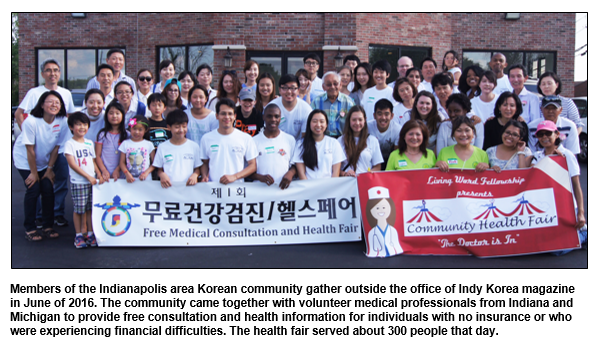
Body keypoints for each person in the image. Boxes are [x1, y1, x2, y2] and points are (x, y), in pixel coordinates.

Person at [13, 91, 69, 241]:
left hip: (44, 160)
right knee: (34, 188)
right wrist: (33, 173)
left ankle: (47, 226)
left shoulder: (62, 121)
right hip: (25, 160)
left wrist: (49, 169)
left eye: (57, 102)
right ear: (42, 104)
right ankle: (30, 228)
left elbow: (57, 147)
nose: (54, 105)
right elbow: (29, 150)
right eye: (50, 102)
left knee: (48, 189)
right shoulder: (31, 121)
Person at [528, 120, 586, 237]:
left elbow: (576, 185)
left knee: (560, 248)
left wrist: (580, 212)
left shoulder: (567, 155)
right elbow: (532, 177)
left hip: (566, 206)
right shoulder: (537, 156)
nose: (544, 137)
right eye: (540, 134)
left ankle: (584, 234)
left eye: (548, 133)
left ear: (557, 134)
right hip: (546, 207)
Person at [63, 112, 103, 248]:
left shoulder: (89, 143)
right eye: (78, 124)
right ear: (71, 127)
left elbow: (93, 161)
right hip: (79, 182)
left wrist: (98, 174)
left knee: (90, 209)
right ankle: (79, 235)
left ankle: (90, 233)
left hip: (92, 182)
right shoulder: (69, 144)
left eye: (85, 124)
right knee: (79, 210)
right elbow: (72, 164)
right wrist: (88, 177)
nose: (82, 127)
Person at [199, 98, 258, 184]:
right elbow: (205, 163)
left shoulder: (246, 138)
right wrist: (204, 176)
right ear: (217, 116)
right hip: (213, 190)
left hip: (237, 190)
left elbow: (253, 165)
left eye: (230, 114)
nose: (227, 117)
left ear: (235, 116)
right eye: (223, 113)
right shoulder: (206, 138)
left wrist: (235, 177)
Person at [143, 110, 202, 187]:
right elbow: (159, 169)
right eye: (177, 127)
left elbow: (198, 168)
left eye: (184, 126)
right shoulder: (162, 147)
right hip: (169, 190)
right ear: (169, 127)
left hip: (189, 189)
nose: (181, 130)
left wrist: (195, 175)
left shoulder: (194, 146)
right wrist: (162, 175)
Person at [15, 58, 76, 129]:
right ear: (42, 74)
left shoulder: (66, 93)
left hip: (59, 135)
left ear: (59, 73)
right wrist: (26, 132)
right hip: (38, 134)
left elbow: (71, 114)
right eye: (48, 70)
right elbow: (18, 113)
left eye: (55, 70)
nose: (52, 74)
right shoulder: (34, 92)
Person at [251, 103, 296, 189]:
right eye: (269, 116)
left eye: (276, 116)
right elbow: (248, 170)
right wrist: (260, 177)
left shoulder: (290, 139)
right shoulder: (253, 141)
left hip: (284, 190)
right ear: (263, 117)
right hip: (259, 191)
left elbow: (295, 164)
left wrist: (290, 173)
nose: (273, 119)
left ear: (280, 118)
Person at [293, 109, 346, 180]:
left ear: (326, 124)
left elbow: (335, 173)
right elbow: (301, 174)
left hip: (329, 188)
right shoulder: (300, 144)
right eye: (315, 121)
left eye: (322, 121)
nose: (318, 125)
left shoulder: (334, 143)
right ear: (309, 124)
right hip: (309, 188)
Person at [339, 106, 383, 176]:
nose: (357, 123)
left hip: (365, 182)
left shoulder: (372, 140)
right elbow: (335, 168)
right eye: (354, 120)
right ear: (349, 120)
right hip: (346, 183)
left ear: (365, 120)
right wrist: (345, 174)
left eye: (360, 119)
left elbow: (377, 166)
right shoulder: (340, 141)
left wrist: (370, 173)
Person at [310, 71, 355, 138]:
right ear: (323, 87)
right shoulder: (316, 101)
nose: (332, 87)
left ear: (340, 85)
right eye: (328, 84)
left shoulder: (348, 102)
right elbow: (310, 121)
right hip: (321, 138)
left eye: (335, 84)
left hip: (343, 139)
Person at [271, 74, 313, 140]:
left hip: (298, 147)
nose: (289, 91)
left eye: (293, 88)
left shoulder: (306, 109)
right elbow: (269, 133)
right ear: (279, 90)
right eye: (285, 88)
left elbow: (305, 137)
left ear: (298, 90)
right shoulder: (271, 107)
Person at [95, 101, 129, 182]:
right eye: (111, 113)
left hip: (122, 175)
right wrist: (103, 170)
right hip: (104, 175)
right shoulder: (102, 134)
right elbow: (97, 156)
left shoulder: (127, 135)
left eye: (117, 113)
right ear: (106, 116)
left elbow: (127, 156)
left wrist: (118, 169)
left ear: (123, 116)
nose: (114, 116)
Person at [365, 186, 403, 257]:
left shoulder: (393, 230)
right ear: (370, 211)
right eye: (377, 208)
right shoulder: (371, 233)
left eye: (384, 207)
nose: (381, 210)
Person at [119, 115, 155, 183]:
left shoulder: (149, 144)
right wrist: (126, 173)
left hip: (145, 181)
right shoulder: (125, 143)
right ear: (130, 128)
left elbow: (154, 163)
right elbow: (122, 162)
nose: (136, 132)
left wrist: (146, 173)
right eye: (134, 128)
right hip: (129, 180)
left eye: (140, 129)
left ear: (146, 130)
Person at [366, 99, 400, 169]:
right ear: (374, 115)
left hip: (390, 160)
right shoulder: (366, 127)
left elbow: (396, 154)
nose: (383, 118)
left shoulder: (398, 130)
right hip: (372, 161)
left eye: (386, 114)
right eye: (379, 114)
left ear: (392, 116)